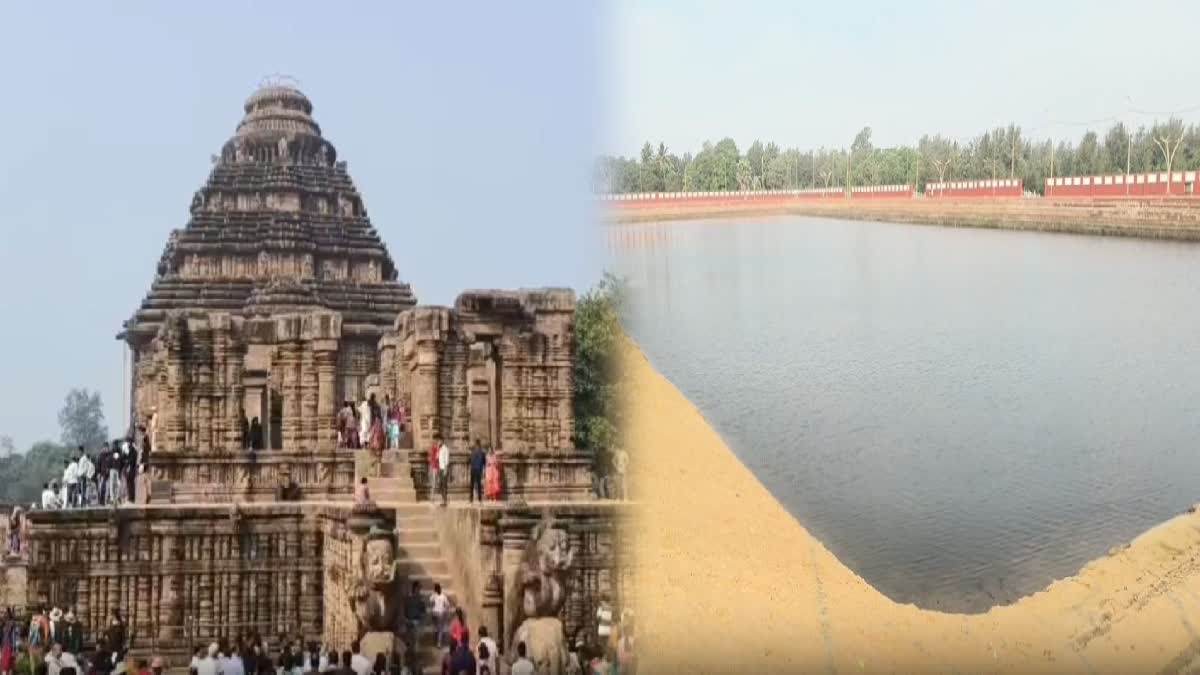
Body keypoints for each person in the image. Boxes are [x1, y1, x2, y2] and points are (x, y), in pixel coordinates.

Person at [402, 582, 426, 657]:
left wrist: (421, 622)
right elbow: (404, 609)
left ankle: (414, 656)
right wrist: (405, 619)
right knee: (409, 641)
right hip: (409, 621)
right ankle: (409, 655)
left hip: (415, 621)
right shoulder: (408, 599)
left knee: (415, 641)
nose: (419, 590)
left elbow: (423, 611)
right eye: (418, 588)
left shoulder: (420, 599)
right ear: (415, 588)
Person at [429, 583, 451, 649]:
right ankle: (439, 643)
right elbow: (448, 605)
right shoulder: (443, 596)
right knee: (440, 629)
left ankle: (436, 639)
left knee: (436, 627)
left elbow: (430, 601)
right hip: (440, 614)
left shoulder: (434, 595)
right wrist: (445, 610)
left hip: (434, 613)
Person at [436, 440, 450, 506]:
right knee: (441, 485)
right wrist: (438, 449)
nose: (437, 442)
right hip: (440, 468)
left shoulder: (445, 449)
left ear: (441, 441)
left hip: (444, 469)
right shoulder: (440, 449)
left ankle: (445, 501)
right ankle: (442, 500)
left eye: (438, 441)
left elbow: (446, 461)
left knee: (444, 485)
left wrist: (445, 470)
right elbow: (437, 457)